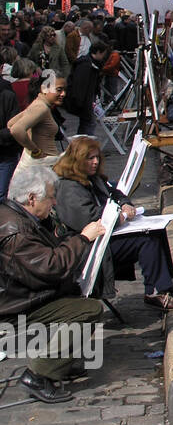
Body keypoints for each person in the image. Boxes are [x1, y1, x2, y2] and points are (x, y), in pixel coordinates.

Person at [0, 164, 105, 404]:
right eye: (50, 198)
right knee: (88, 310)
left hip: (19, 294)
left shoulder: (14, 214)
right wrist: (82, 239)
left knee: (80, 298)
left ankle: (60, 364)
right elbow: (51, 267)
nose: (54, 203)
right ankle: (39, 374)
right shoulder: (14, 229)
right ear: (31, 198)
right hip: (12, 306)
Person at [54, 135, 173, 311]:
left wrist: (125, 204)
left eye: (97, 157)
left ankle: (165, 282)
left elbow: (115, 192)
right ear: (78, 160)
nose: (96, 162)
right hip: (90, 247)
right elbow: (89, 219)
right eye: (90, 158)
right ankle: (155, 291)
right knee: (146, 241)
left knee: (156, 231)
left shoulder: (92, 177)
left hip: (106, 235)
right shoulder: (69, 187)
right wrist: (121, 216)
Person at [8, 70, 65, 170]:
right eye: (59, 90)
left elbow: (11, 123)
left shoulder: (39, 104)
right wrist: (35, 151)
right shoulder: (40, 107)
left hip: (39, 165)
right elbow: (16, 129)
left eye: (64, 90)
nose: (63, 94)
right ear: (44, 89)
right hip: (40, 168)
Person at [63, 39, 110, 139]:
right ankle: (85, 145)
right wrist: (80, 103)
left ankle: (84, 144)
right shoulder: (86, 65)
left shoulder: (90, 64)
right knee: (88, 123)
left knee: (88, 123)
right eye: (103, 54)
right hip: (84, 100)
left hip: (86, 99)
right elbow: (80, 85)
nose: (104, 57)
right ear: (97, 52)